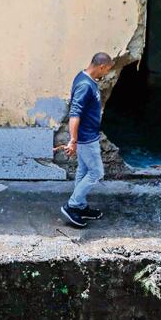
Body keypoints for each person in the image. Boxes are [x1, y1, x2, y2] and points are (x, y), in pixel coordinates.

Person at [57, 52, 114, 228]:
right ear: (102, 67)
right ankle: (72, 205)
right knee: (96, 173)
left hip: (89, 136)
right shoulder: (84, 85)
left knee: (83, 170)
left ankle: (80, 206)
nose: (107, 73)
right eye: (107, 70)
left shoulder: (85, 78)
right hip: (86, 138)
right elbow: (75, 114)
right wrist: (73, 140)